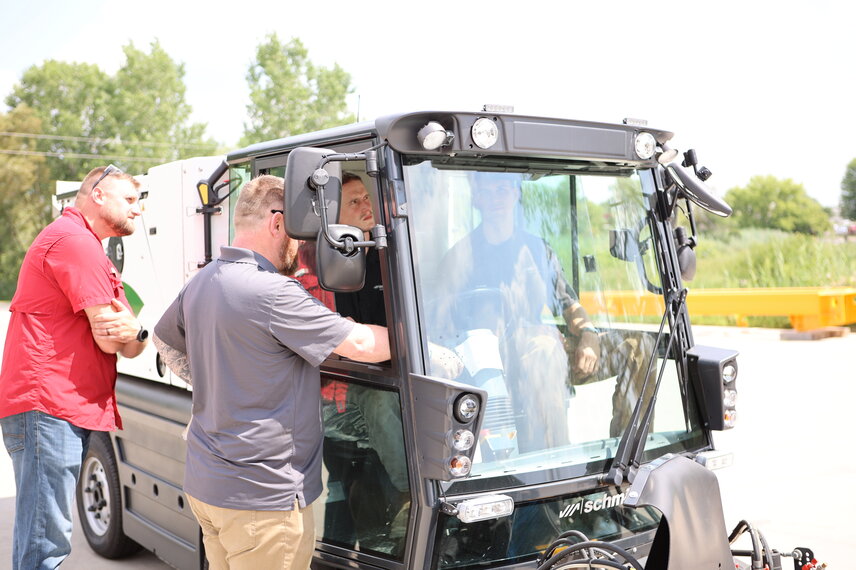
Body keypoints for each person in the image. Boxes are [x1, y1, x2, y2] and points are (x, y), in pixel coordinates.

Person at [153, 174, 408, 569]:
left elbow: (165, 343)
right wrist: (429, 338)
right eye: (299, 230)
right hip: (264, 502)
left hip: (209, 487)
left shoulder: (203, 280)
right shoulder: (273, 292)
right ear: (276, 223)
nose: (303, 243)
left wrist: (219, 384)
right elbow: (361, 345)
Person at [0, 164, 149, 569]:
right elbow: (110, 338)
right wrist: (133, 333)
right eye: (131, 200)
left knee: (42, 537)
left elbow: (130, 345)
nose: (138, 211)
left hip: (61, 408)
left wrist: (136, 334)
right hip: (47, 407)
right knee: (44, 544)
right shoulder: (74, 242)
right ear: (98, 195)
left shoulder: (89, 247)